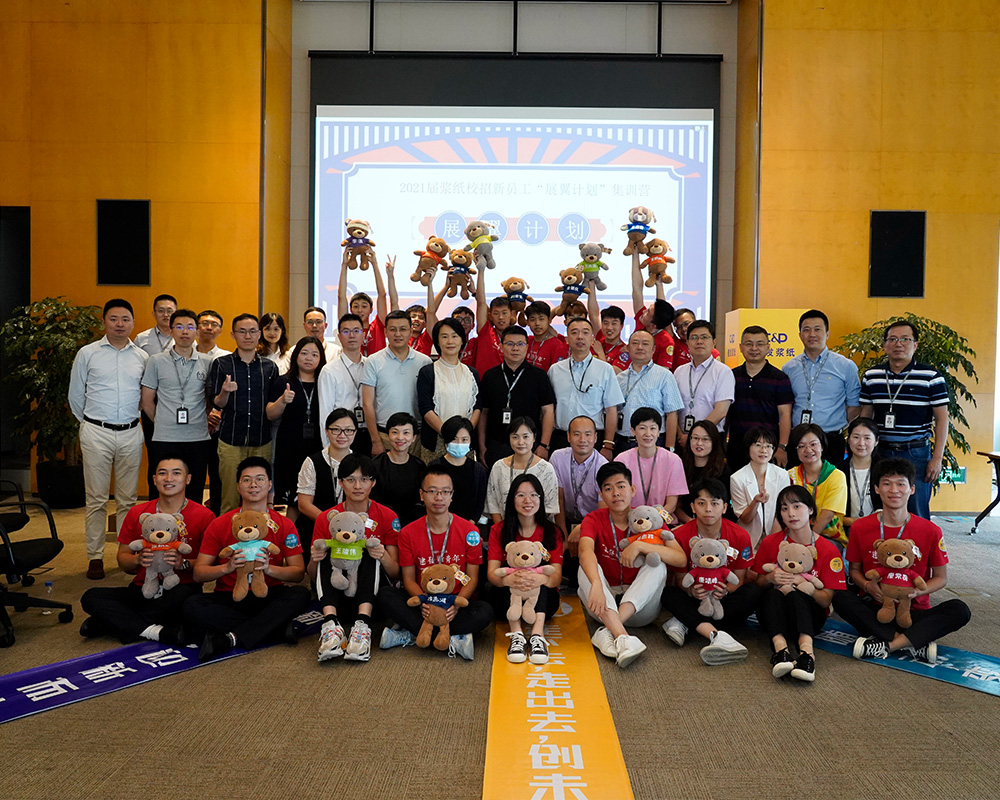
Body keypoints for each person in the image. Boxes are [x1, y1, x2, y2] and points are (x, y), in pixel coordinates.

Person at [833, 458, 971, 664]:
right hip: (877, 609)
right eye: (887, 483)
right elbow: (854, 570)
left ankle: (888, 644)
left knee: (959, 609)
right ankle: (914, 641)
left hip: (913, 610)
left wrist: (917, 592)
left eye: (900, 484)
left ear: (912, 489)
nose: (894, 490)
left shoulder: (931, 530)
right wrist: (868, 587)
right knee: (840, 598)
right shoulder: (861, 527)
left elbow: (941, 578)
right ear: (877, 489)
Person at [79, 455, 215, 644]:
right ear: (154, 479)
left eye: (176, 473)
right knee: (90, 597)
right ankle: (155, 631)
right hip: (143, 587)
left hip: (181, 588)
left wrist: (182, 563)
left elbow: (208, 566)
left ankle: (107, 624)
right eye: (162, 473)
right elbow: (123, 558)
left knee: (188, 604)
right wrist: (137, 560)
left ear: (188, 479)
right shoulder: (138, 513)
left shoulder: (204, 515)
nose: (169, 478)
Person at [184, 457, 309, 661]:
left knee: (301, 595)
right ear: (238, 486)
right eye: (247, 480)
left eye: (260, 479)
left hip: (269, 594)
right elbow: (199, 573)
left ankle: (230, 638)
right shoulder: (220, 523)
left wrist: (269, 568)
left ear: (269, 484)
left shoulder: (284, 524)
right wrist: (227, 567)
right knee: (192, 604)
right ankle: (274, 629)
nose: (253, 485)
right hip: (230, 596)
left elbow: (298, 573)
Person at [375, 466, 493, 660]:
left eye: (445, 492)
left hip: (455, 602)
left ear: (451, 496)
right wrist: (425, 603)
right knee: (386, 595)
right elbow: (408, 579)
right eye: (432, 491)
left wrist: (455, 606)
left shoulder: (469, 531)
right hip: (423, 601)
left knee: (484, 611)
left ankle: (415, 634)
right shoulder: (408, 533)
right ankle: (451, 637)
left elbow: (472, 578)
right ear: (422, 495)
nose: (439, 497)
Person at [69, 299, 149, 579]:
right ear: (104, 322)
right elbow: (75, 395)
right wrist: (89, 424)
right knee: (96, 499)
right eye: (114, 319)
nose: (119, 324)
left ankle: (124, 555)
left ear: (133, 323)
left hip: (130, 431)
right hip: (96, 431)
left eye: (125, 319)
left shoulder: (142, 357)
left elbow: (145, 396)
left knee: (128, 499)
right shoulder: (87, 353)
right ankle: (95, 556)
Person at [579, 463, 686, 667]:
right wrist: (596, 584)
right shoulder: (593, 519)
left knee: (658, 564)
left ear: (632, 489)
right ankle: (623, 637)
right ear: (601, 494)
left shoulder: (648, 516)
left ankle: (609, 630)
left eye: (621, 486)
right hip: (603, 603)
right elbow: (585, 551)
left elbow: (680, 558)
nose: (616, 493)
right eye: (608, 488)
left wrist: (640, 545)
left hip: (640, 609)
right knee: (585, 566)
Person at [310, 454, 401, 662]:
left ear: (373, 482)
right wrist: (315, 559)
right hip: (335, 598)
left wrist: (383, 555)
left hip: (372, 599)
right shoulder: (327, 518)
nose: (357, 486)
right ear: (341, 483)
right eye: (350, 480)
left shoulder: (387, 516)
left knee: (367, 550)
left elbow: (396, 573)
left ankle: (363, 627)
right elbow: (312, 575)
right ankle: (331, 626)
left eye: (364, 479)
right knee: (328, 550)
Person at [750, 485, 846, 681]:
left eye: (796, 506)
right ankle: (781, 653)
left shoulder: (828, 549)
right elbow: (757, 585)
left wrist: (806, 586)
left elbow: (826, 601)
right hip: (775, 613)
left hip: (810, 617)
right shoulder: (771, 543)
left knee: (796, 595)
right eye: (784, 508)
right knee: (772, 594)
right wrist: (769, 578)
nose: (791, 514)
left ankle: (807, 656)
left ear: (810, 509)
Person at [661, 479, 760, 664]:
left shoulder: (740, 535)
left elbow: (739, 579)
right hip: (695, 598)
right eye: (701, 503)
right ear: (692, 507)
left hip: (724, 599)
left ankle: (686, 621)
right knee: (668, 594)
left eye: (714, 503)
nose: (708, 509)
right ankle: (717, 634)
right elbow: (680, 579)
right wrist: (691, 591)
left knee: (753, 591)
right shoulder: (680, 536)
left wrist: (726, 590)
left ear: (724, 507)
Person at [859, 320, 949, 520]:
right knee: (879, 507)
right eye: (892, 339)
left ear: (915, 345)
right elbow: (865, 416)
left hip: (915, 453)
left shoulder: (931, 376)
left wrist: (937, 458)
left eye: (905, 339)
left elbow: (942, 419)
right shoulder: (872, 376)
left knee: (916, 511)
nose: (898, 344)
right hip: (880, 452)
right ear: (884, 345)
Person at [487, 475, 563, 664]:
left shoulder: (552, 531)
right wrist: (508, 580)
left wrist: (539, 579)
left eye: (533, 495)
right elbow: (492, 574)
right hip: (506, 601)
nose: (527, 500)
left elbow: (556, 576)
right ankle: (517, 636)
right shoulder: (499, 530)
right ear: (512, 499)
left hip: (545, 602)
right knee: (510, 570)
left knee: (541, 572)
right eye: (521, 495)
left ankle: (537, 635)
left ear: (541, 499)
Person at [207, 314, 279, 513]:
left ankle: (259, 531)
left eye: (252, 331)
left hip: (261, 440)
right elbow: (217, 403)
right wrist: (225, 392)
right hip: (230, 439)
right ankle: (227, 532)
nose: (248, 336)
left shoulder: (270, 367)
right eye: (242, 331)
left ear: (259, 334)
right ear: (233, 334)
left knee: (259, 496)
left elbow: (272, 406)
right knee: (229, 497)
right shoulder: (222, 364)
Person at [140, 308, 212, 503]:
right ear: (171, 331)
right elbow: (147, 401)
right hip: (165, 437)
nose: (185, 331)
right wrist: (162, 421)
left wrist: (201, 418)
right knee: (163, 489)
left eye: (190, 327)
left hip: (198, 437)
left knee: (194, 490)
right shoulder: (156, 361)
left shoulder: (208, 362)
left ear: (197, 332)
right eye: (179, 327)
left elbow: (209, 400)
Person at [782, 309, 861, 465]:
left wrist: (837, 424)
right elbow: (786, 407)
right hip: (798, 440)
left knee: (831, 480)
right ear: (800, 335)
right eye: (807, 330)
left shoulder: (845, 366)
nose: (812, 334)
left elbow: (854, 406)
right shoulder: (789, 368)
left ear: (827, 334)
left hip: (831, 439)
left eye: (817, 329)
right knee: (797, 480)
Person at [477, 325, 556, 467]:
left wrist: (544, 445)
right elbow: (483, 413)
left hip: (530, 445)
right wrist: (482, 446)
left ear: (527, 347)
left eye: (520, 344)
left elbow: (548, 411)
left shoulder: (539, 376)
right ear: (501, 347)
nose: (515, 348)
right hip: (497, 445)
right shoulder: (490, 376)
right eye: (510, 344)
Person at [548, 316, 624, 456]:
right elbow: (548, 409)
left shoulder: (605, 369)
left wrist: (608, 445)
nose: (580, 337)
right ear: (567, 339)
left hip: (593, 439)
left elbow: (611, 410)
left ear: (592, 339)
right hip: (561, 437)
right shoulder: (555, 370)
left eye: (585, 332)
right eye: (574, 332)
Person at [361, 310, 432, 458]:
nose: (398, 334)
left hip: (416, 437)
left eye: (403, 329)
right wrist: (375, 440)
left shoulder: (424, 362)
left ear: (411, 331)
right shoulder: (373, 361)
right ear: (385, 332)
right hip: (384, 435)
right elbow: (367, 404)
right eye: (393, 329)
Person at [266, 336, 326, 506]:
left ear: (321, 358)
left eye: (314, 354)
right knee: (291, 495)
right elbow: (270, 414)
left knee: (315, 494)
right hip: (289, 446)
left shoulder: (325, 381)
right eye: (304, 353)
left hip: (318, 445)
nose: (309, 358)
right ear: (296, 355)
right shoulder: (284, 381)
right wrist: (282, 401)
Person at [726, 325, 793, 470]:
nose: (754, 348)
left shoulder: (779, 378)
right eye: (749, 344)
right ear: (741, 347)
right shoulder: (730, 376)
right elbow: (726, 413)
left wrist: (782, 447)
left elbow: (785, 415)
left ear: (768, 347)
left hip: (767, 450)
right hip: (737, 449)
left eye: (760, 344)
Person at [416, 318, 481, 458]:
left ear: (462, 340)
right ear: (437, 341)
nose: (450, 341)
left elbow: (477, 407)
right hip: (436, 440)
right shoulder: (427, 372)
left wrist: (464, 434)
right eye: (444, 337)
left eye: (454, 336)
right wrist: (448, 434)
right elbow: (425, 408)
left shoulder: (472, 373)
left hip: (464, 442)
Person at [134, 294, 178, 496]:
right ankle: (154, 501)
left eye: (170, 311)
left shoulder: (184, 336)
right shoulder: (142, 339)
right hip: (150, 401)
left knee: (177, 455)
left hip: (176, 402)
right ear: (154, 313)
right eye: (161, 311)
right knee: (155, 455)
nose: (166, 315)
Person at [614, 329, 683, 454]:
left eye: (645, 344)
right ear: (628, 348)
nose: (640, 347)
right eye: (635, 343)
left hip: (654, 442)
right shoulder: (619, 378)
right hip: (623, 442)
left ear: (653, 349)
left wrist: (670, 448)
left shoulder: (664, 376)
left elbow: (672, 414)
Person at [551, 415, 608, 567]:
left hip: (593, 522)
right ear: (568, 437)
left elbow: (602, 511)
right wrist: (563, 536)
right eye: (576, 434)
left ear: (595, 437)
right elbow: (558, 499)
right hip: (564, 519)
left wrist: (582, 530)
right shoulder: (558, 458)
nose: (582, 440)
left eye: (588, 434)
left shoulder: (603, 466)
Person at [295, 408, 354, 545]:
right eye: (336, 430)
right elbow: (304, 504)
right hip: (315, 528)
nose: (342, 435)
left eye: (348, 430)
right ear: (327, 431)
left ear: (355, 432)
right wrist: (332, 523)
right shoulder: (312, 462)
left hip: (351, 531)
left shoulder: (360, 463)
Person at [485, 417, 560, 524]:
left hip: (538, 529)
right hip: (505, 528)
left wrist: (530, 530)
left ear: (534, 437)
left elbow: (549, 508)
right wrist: (504, 530)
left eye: (525, 437)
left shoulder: (546, 468)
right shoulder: (499, 467)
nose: (520, 442)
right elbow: (493, 506)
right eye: (515, 437)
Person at [674, 320, 734, 450]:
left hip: (710, 438)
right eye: (694, 338)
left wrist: (695, 436)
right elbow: (673, 408)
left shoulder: (723, 372)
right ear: (687, 342)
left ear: (714, 342)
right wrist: (680, 435)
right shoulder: (679, 371)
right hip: (681, 440)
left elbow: (721, 411)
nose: (699, 341)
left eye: (704, 337)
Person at [614, 407, 687, 512]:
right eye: (642, 428)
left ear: (659, 431)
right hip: (630, 518)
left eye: (653, 428)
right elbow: (618, 497)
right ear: (633, 431)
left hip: (662, 519)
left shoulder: (673, 460)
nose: (648, 433)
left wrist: (654, 518)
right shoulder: (621, 460)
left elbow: (671, 505)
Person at [787, 423, 848, 547]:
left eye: (813, 444)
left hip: (828, 536)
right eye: (801, 446)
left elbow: (827, 515)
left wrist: (807, 543)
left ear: (822, 446)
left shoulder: (835, 476)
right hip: (794, 534)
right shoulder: (790, 475)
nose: (808, 450)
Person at [729, 427, 791, 551]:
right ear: (748, 447)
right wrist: (755, 502)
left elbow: (782, 511)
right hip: (748, 537)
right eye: (758, 445)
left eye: (768, 446)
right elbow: (745, 518)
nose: (763, 450)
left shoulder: (782, 475)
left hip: (776, 535)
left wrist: (771, 543)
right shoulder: (737, 478)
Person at [317, 313, 370, 456]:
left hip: (368, 433)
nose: (351, 336)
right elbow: (325, 413)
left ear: (363, 335)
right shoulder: (329, 370)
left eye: (356, 331)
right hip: (342, 436)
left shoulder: (371, 366)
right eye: (346, 332)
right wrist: (328, 449)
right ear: (339, 337)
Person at [429, 416, 488, 527]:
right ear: (446, 441)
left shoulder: (478, 470)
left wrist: (469, 525)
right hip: (439, 524)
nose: (459, 443)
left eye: (464, 439)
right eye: (454, 439)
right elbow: (430, 499)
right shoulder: (434, 467)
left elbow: (480, 504)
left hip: (468, 526)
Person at [196, 309, 228, 514]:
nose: (209, 328)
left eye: (214, 324)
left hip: (218, 427)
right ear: (197, 328)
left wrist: (216, 414)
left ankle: (217, 519)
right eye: (204, 323)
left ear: (221, 330)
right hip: (192, 426)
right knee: (195, 476)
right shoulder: (185, 353)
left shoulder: (226, 358)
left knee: (218, 478)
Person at [371, 412, 427, 526]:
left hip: (412, 523)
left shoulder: (419, 466)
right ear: (388, 436)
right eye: (395, 432)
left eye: (406, 433)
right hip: (382, 521)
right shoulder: (376, 465)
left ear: (414, 438)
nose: (400, 437)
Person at [676, 420, 732, 524]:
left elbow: (727, 506)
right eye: (695, 438)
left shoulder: (723, 471)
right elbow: (677, 505)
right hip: (686, 523)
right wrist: (690, 522)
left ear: (714, 442)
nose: (699, 443)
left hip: (714, 525)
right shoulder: (680, 466)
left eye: (705, 439)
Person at [337, 256, 390, 357]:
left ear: (371, 310)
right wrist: (344, 265)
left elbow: (382, 295)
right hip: (354, 366)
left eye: (364, 306)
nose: (360, 310)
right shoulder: (347, 327)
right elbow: (341, 296)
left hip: (377, 367)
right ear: (350, 309)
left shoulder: (378, 325)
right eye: (356, 306)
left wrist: (374, 264)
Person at [837, 417, 881, 534]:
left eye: (867, 438)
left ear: (876, 441)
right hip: (846, 531)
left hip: (879, 529)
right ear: (848, 439)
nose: (861, 443)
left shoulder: (886, 470)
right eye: (856, 437)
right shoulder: (838, 471)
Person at [630, 260, 676, 368]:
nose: (643, 312)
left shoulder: (666, 342)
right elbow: (637, 289)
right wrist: (635, 254)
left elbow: (663, 372)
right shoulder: (643, 320)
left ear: (653, 325)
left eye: (647, 313)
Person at [473, 270, 513, 377]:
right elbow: (481, 303)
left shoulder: (518, 336)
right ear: (490, 315)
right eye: (496, 313)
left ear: (512, 314)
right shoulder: (485, 331)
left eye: (504, 313)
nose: (500, 317)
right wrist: (481, 271)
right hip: (485, 384)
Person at [525, 301, 568, 371]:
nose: (537, 323)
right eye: (533, 320)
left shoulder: (557, 345)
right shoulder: (526, 341)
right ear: (527, 322)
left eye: (541, 319)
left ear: (549, 320)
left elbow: (558, 373)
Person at [591, 302, 631, 373]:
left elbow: (611, 375)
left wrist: (600, 353)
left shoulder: (624, 352)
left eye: (614, 323)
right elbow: (593, 315)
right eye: (606, 323)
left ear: (621, 326)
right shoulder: (599, 340)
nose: (609, 327)